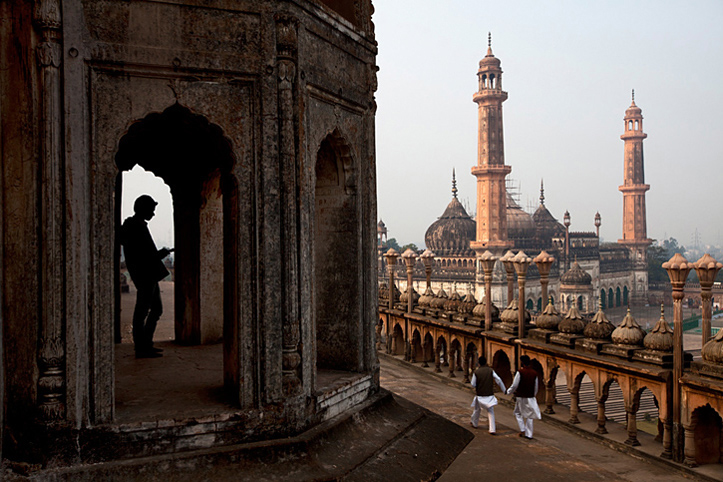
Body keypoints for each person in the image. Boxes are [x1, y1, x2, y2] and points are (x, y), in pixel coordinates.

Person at [121, 195, 173, 358]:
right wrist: (160, 254)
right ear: (143, 209)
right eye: (151, 209)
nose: (153, 213)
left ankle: (145, 345)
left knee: (151, 309)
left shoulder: (134, 225)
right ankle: (142, 347)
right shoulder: (136, 227)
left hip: (146, 274)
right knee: (144, 311)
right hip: (146, 275)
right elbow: (144, 256)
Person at [506, 355, 542, 439]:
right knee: (530, 415)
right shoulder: (534, 373)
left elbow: (515, 385)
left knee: (518, 413)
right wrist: (533, 395)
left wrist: (508, 392)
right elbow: (536, 386)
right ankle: (529, 434)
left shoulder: (520, 372)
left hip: (521, 396)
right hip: (530, 396)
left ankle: (523, 429)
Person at [470, 356, 506, 434]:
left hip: (480, 394)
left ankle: (474, 423)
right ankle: (492, 429)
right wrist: (504, 390)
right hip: (489, 394)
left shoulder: (477, 372)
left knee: (477, 409)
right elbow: (498, 380)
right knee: (490, 411)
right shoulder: (490, 371)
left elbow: (473, 384)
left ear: (479, 363)